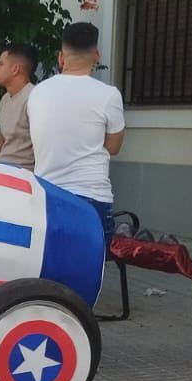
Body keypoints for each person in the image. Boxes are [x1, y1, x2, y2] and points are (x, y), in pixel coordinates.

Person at [25, 21, 124, 244]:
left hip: (47, 197)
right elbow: (114, 147)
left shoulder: (37, 93)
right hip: (92, 200)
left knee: (50, 262)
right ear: (96, 56)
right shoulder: (109, 95)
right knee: (91, 263)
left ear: (61, 58)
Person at [0, 43, 38, 172]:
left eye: (0, 64)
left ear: (15, 69)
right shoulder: (5, 99)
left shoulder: (34, 98)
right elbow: (2, 139)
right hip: (3, 171)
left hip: (24, 174)